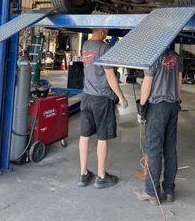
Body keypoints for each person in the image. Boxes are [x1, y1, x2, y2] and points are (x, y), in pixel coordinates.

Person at [78, 28, 128, 189]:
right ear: (101, 30)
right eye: (105, 30)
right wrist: (121, 96)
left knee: (84, 135)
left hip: (86, 96)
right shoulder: (104, 48)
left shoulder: (85, 45)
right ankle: (101, 176)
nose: (106, 32)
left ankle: (83, 174)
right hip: (101, 98)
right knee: (102, 137)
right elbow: (110, 76)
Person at [135, 48, 182, 205]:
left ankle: (151, 192)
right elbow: (179, 83)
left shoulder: (153, 56)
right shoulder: (177, 57)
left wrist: (141, 107)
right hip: (173, 105)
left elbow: (147, 84)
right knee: (170, 148)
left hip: (157, 107)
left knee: (153, 148)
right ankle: (169, 190)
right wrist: (175, 100)